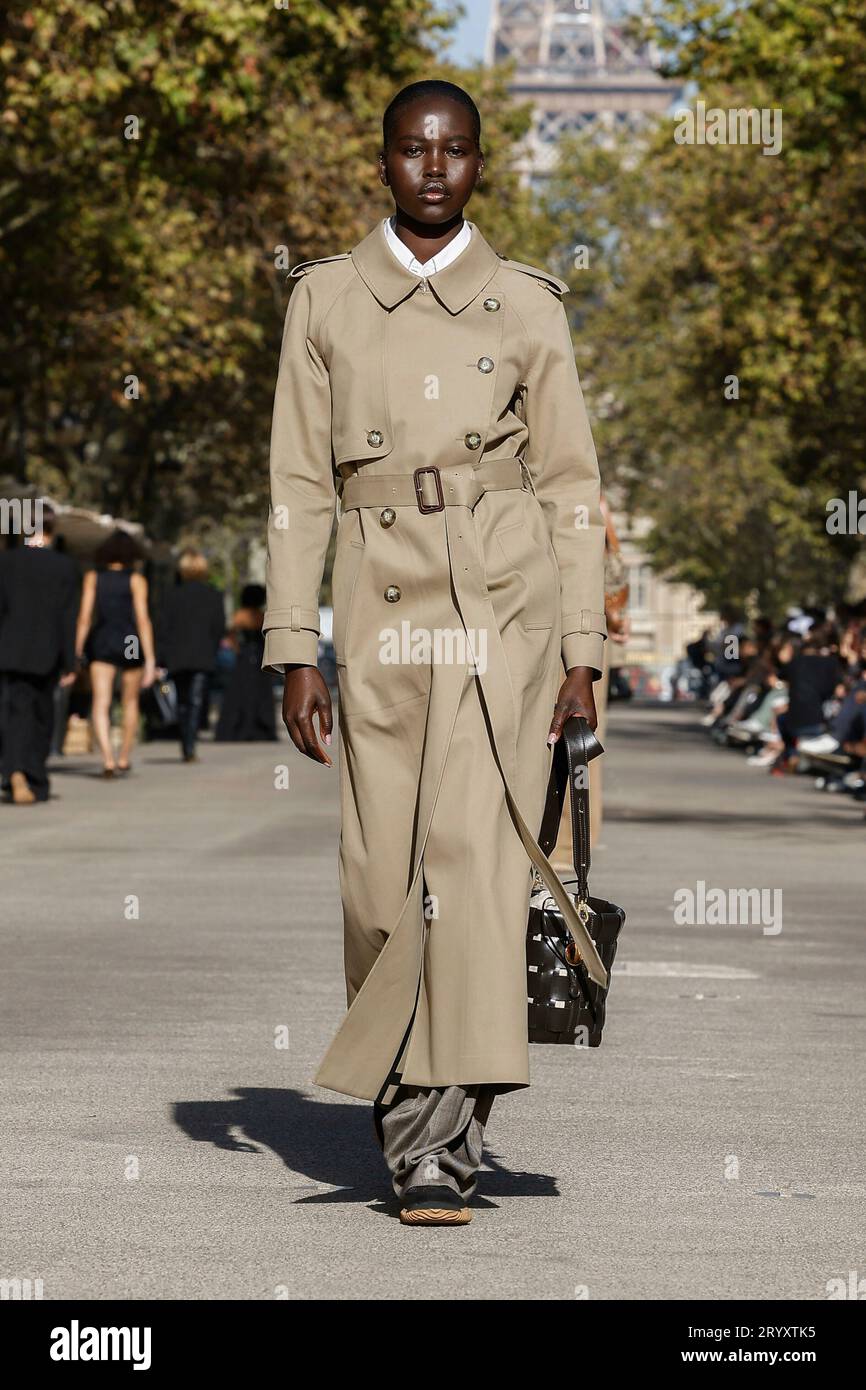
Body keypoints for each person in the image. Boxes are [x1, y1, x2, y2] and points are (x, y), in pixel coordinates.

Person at [262, 80, 608, 1226]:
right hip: (373, 600)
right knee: (376, 878)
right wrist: (289, 639)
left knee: (468, 862)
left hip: (496, 595)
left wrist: (579, 644)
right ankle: (407, 1094)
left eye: (452, 149)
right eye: (411, 147)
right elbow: (296, 488)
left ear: (478, 164)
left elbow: (568, 484)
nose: (430, 167)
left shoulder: (523, 304)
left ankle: (435, 1140)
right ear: (381, 160)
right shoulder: (319, 302)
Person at [0, 508, 78, 804]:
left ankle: (13, 770)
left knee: (14, 712)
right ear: (51, 530)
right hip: (47, 652)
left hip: (10, 649)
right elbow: (68, 617)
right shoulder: (65, 567)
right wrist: (70, 659)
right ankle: (33, 774)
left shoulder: (6, 562)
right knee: (42, 716)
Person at [75, 529, 156, 776]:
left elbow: (85, 617)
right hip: (130, 641)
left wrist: (77, 649)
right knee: (130, 701)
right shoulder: (136, 579)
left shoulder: (93, 577)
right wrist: (151, 659)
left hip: (103, 640)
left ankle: (108, 758)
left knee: (101, 702)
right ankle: (124, 756)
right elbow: (142, 619)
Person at [157, 549, 226, 762]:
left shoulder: (170, 595)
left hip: (177, 656)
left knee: (181, 701)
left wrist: (162, 657)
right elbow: (219, 627)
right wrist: (213, 650)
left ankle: (186, 742)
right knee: (195, 700)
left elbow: (162, 628)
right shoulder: (213, 595)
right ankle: (189, 745)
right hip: (202, 655)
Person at [214, 583, 277, 743]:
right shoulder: (261, 615)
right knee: (260, 692)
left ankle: (238, 727)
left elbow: (231, 635)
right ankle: (260, 727)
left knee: (240, 692)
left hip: (244, 656)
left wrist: (237, 650)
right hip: (260, 655)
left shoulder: (240, 615)